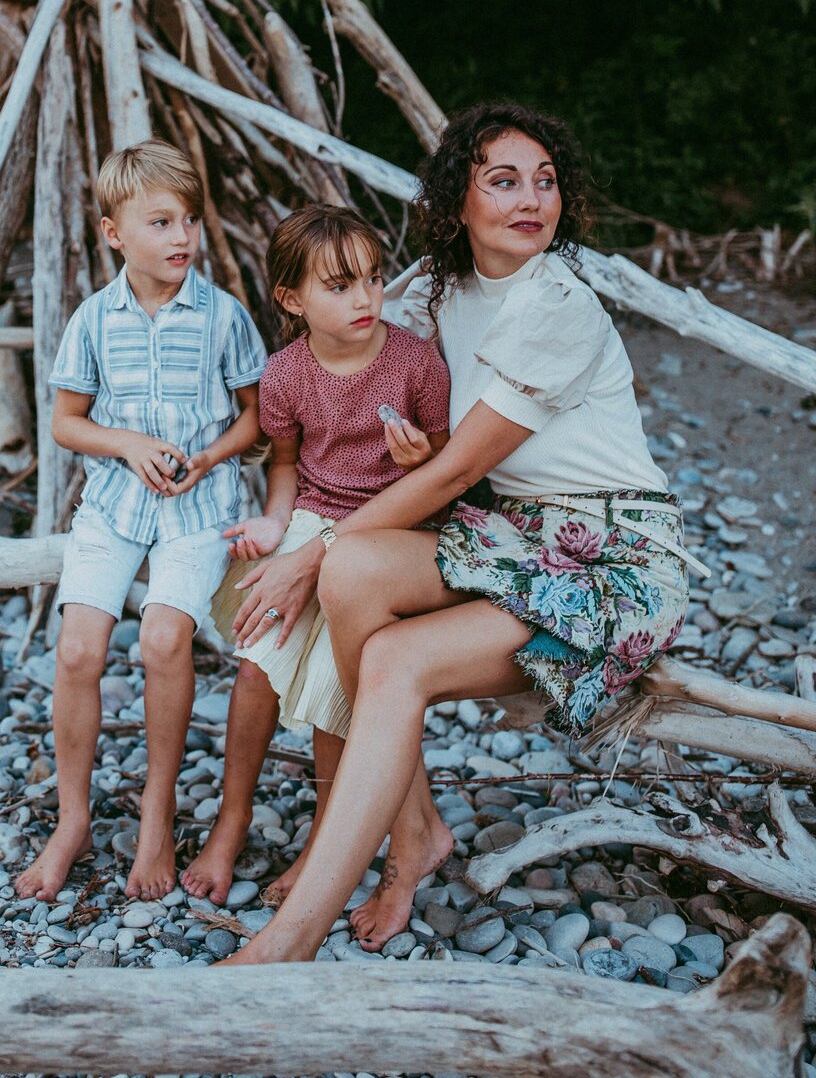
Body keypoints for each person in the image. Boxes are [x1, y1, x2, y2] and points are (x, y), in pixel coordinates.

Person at [222, 101, 704, 963]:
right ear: (458, 201)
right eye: (504, 181)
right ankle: (417, 835)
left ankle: (291, 940)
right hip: (514, 538)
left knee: (387, 650)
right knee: (359, 570)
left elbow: (447, 475)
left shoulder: (558, 304)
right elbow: (340, 325)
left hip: (613, 558)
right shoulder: (435, 289)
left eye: (546, 182)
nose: (532, 201)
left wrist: (305, 552)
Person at [182, 203, 450, 945]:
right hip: (311, 518)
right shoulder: (287, 373)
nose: (365, 299)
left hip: (390, 527)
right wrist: (275, 522)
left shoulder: (415, 361)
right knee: (257, 665)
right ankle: (232, 821)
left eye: (371, 279)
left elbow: (445, 465)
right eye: (339, 286)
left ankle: (323, 845)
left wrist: (419, 463)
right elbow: (287, 462)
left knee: (335, 692)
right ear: (293, 299)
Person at [16, 139, 266, 903]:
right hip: (115, 508)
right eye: (160, 222)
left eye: (189, 219)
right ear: (113, 233)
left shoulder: (223, 317)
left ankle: (157, 816)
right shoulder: (95, 319)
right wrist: (124, 443)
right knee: (78, 650)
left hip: (199, 508)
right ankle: (74, 817)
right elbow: (66, 423)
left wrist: (210, 456)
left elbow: (258, 420)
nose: (182, 237)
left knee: (163, 639)